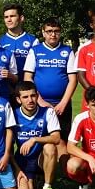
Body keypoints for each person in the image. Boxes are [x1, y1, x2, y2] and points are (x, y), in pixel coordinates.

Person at [23, 17, 77, 150]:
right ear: (43, 32)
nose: (53, 34)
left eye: (56, 31)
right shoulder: (35, 50)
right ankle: (40, 169)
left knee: (63, 140)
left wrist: (64, 102)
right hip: (40, 103)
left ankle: (64, 170)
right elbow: (28, 77)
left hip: (62, 104)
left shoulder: (67, 51)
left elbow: (73, 80)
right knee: (42, 138)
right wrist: (39, 100)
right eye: (49, 31)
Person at [11, 81, 61, 189]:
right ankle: (36, 180)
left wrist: (34, 139)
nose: (30, 100)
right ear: (19, 100)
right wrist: (16, 169)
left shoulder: (48, 112)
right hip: (22, 160)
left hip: (40, 159)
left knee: (50, 147)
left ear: (37, 96)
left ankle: (47, 186)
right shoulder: (13, 115)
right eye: (25, 97)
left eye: (33, 96)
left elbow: (57, 138)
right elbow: (7, 146)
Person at [0, 3, 39, 75]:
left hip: (26, 84)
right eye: (6, 17)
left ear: (21, 18)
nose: (9, 20)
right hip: (7, 84)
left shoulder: (33, 41)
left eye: (12, 16)